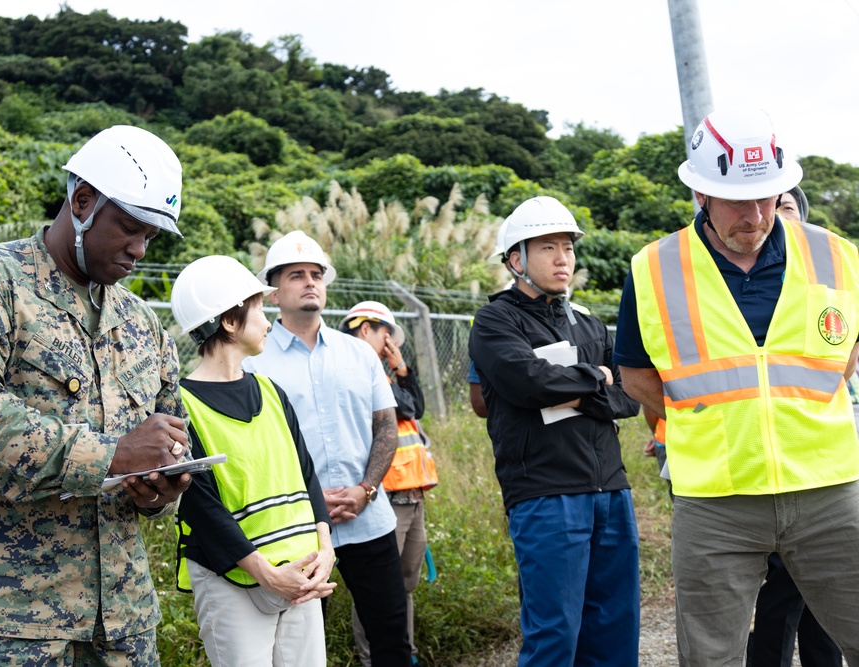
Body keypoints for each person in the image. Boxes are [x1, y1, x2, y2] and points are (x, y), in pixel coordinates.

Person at [0, 125, 194, 665]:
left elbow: (166, 436)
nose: (139, 249)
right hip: (0, 619)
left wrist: (159, 487)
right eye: (130, 228)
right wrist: (111, 455)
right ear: (82, 201)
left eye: (151, 236)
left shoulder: (141, 324)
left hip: (122, 624)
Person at [615, 107, 859, 666]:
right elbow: (634, 374)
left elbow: (850, 349)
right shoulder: (653, 268)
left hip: (828, 486)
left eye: (767, 197)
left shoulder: (837, 255)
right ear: (700, 194)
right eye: (735, 201)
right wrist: (707, 418)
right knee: (711, 655)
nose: (754, 215)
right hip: (715, 501)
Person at [468, 195, 642, 667]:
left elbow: (630, 393)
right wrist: (596, 379)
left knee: (615, 628)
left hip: (610, 487)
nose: (562, 257)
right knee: (555, 634)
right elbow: (525, 381)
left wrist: (575, 389)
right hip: (545, 492)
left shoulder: (588, 321)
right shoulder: (496, 320)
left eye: (567, 247)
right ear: (515, 259)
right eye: (547, 247)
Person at [241, 230, 411, 666]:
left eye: (316, 274)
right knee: (298, 647)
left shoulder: (359, 354)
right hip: (296, 528)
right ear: (274, 292)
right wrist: (312, 499)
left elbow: (386, 428)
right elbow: (253, 449)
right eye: (296, 275)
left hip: (368, 520)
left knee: (391, 637)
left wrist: (366, 489)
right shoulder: (252, 362)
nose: (310, 281)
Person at [169, 255, 336, 666]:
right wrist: (266, 573)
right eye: (259, 307)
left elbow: (306, 475)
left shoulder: (271, 391)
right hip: (235, 579)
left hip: (300, 573)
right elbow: (201, 506)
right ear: (229, 321)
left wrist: (326, 546)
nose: (266, 320)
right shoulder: (179, 407)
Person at [751, 185, 843, 667]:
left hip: (823, 466)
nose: (775, 219)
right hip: (773, 471)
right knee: (786, 592)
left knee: (820, 599)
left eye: (787, 209)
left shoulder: (830, 287)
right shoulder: (755, 294)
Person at [340, 301, 439, 666]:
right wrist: (397, 369)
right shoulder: (352, 370)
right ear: (364, 329)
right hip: (384, 497)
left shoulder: (381, 374)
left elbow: (417, 406)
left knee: (403, 586)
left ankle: (404, 654)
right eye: (386, 336)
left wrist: (399, 368)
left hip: (411, 495)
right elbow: (409, 407)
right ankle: (373, 659)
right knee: (378, 589)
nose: (390, 346)